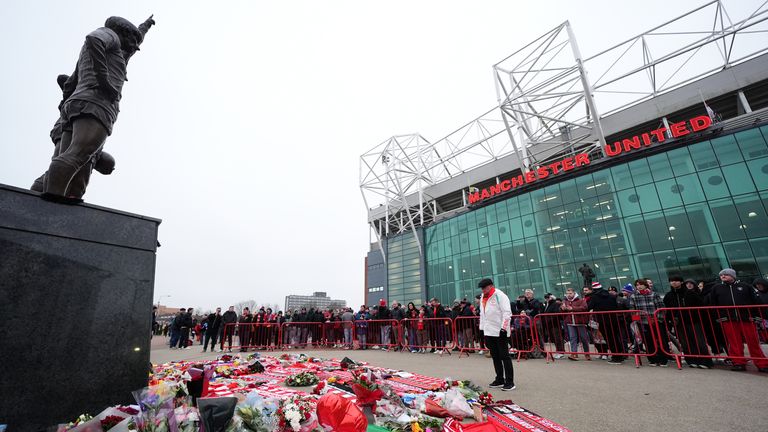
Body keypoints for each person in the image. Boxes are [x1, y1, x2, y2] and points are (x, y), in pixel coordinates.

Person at [40, 16, 155, 202]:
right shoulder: (111, 36)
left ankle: (52, 197)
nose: (134, 45)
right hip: (95, 105)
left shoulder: (117, 53)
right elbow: (94, 39)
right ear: (121, 32)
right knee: (78, 154)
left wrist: (146, 27)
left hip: (80, 105)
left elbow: (70, 83)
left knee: (72, 155)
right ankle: (54, 202)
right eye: (132, 39)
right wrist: (104, 81)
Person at [709, 269, 768, 372]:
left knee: (753, 341)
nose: (723, 276)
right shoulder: (717, 288)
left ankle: (761, 363)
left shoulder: (746, 286)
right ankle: (738, 362)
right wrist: (718, 317)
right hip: (728, 319)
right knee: (734, 342)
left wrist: (757, 316)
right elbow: (713, 304)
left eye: (726, 275)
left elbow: (756, 301)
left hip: (747, 318)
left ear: (733, 276)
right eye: (721, 275)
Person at [663, 277, 712, 368]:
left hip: (693, 320)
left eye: (676, 281)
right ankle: (691, 360)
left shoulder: (690, 293)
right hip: (678, 322)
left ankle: (705, 361)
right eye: (672, 281)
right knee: (685, 342)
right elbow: (667, 309)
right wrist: (669, 320)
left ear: (681, 282)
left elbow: (700, 305)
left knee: (699, 341)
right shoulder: (669, 295)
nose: (674, 282)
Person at [478, 278, 515, 391]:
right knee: (495, 356)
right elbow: (482, 314)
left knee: (505, 356)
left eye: (484, 287)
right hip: (489, 331)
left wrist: (504, 329)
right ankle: (499, 379)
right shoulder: (482, 297)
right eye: (482, 288)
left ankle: (510, 381)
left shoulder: (500, 295)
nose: (483, 290)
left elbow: (507, 313)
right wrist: (482, 329)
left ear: (491, 286)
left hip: (499, 331)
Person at [629, 279, 671, 367]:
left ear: (645, 285)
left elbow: (661, 308)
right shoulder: (633, 296)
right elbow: (632, 310)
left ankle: (663, 359)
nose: (639, 286)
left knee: (660, 340)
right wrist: (636, 320)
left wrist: (658, 319)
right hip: (642, 322)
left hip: (655, 321)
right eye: (637, 285)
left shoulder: (653, 294)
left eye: (641, 284)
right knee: (647, 341)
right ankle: (652, 359)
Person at [587, 282, 626, 364]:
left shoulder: (594, 297)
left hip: (602, 320)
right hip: (613, 319)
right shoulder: (611, 296)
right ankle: (620, 354)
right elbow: (616, 306)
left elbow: (589, 307)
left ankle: (616, 357)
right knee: (615, 337)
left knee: (609, 338)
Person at [561, 287, 590, 360]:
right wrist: (562, 308)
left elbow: (585, 308)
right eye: (567, 293)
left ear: (574, 293)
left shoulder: (581, 300)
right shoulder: (565, 301)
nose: (568, 295)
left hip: (580, 321)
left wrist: (573, 308)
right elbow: (562, 311)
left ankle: (587, 353)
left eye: (570, 293)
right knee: (572, 338)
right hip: (570, 322)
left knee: (584, 338)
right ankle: (574, 353)